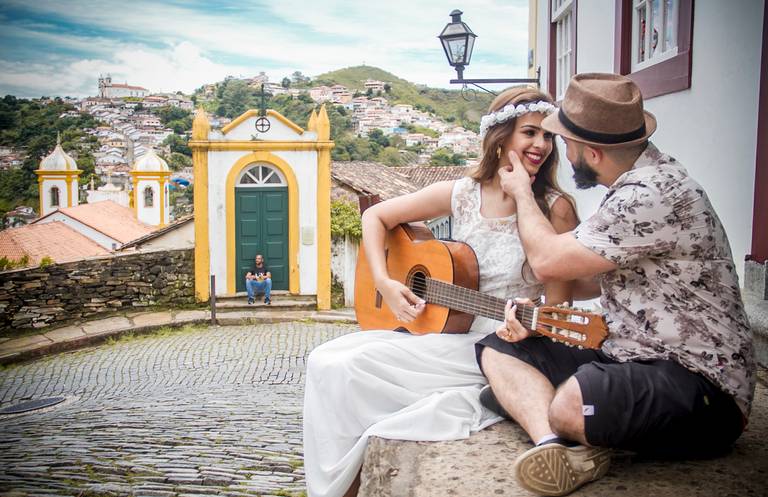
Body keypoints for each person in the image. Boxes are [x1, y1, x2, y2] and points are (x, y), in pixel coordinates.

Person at [477, 73, 756, 496]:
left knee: (569, 403)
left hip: (702, 388)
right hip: (630, 354)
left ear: (591, 151)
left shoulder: (651, 195)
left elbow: (550, 261)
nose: (561, 154)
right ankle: (553, 445)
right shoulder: (635, 184)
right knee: (500, 351)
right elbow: (587, 277)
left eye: (565, 143)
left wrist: (521, 194)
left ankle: (568, 419)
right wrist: (536, 315)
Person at [303, 87, 580, 497]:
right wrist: (384, 281)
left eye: (547, 136)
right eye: (530, 133)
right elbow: (376, 217)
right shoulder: (464, 193)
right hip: (447, 335)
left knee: (350, 371)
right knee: (325, 360)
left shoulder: (555, 207)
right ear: (501, 137)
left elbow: (560, 306)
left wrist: (530, 326)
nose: (540, 144)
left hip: (502, 347)